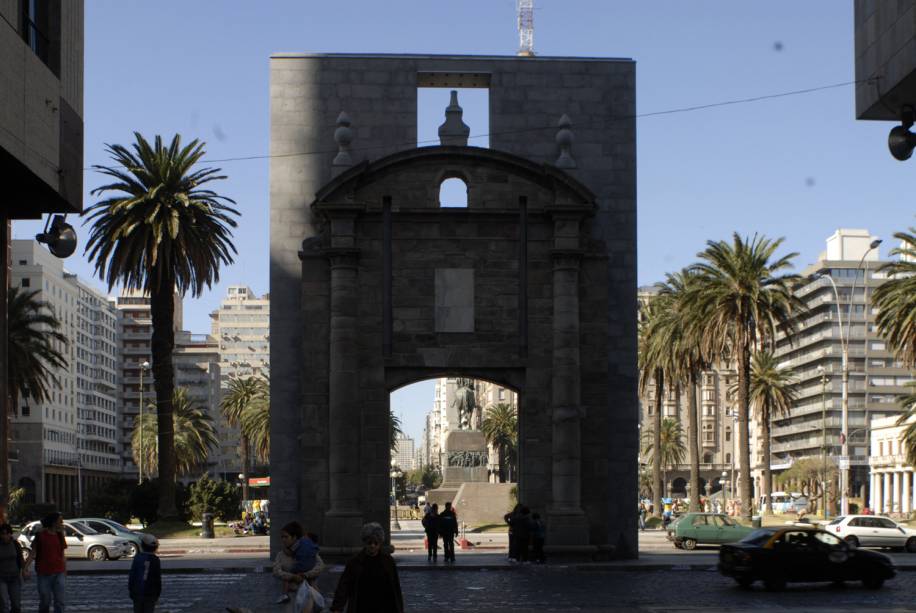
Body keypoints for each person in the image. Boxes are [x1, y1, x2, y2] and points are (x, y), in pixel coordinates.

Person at [330, 522, 403, 613]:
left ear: (380, 543)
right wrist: (337, 607)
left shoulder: (388, 561)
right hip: (361, 606)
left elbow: (395, 588)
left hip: (383, 606)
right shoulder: (355, 562)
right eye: (369, 543)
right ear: (364, 542)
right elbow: (344, 586)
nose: (372, 546)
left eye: (375, 543)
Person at [24, 512, 67, 613]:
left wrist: (65, 570)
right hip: (43, 574)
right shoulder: (40, 536)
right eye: (60, 521)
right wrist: (25, 568)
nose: (62, 523)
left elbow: (62, 555)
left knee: (60, 601)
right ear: (53, 523)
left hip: (59, 573)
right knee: (45, 600)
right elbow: (32, 553)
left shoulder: (60, 536)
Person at [276, 522, 319, 604]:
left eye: (286, 537)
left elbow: (320, 567)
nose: (283, 539)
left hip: (306, 591)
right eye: (282, 537)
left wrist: (303, 575)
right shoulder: (280, 554)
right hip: (294, 595)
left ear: (294, 537)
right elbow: (276, 571)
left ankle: (285, 594)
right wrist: (294, 576)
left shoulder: (296, 547)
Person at [128, 534, 161, 613]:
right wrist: (157, 594)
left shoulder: (138, 558)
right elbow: (157, 579)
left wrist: (131, 590)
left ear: (142, 546)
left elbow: (132, 576)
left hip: (137, 592)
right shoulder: (155, 560)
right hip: (150, 593)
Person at [0, 523, 24, 613]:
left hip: (14, 577)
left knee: (16, 604)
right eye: (3, 534)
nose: (5, 536)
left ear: (10, 534)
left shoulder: (15, 544)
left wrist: (24, 570)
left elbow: (20, 558)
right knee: (4, 603)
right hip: (1, 578)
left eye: (7, 533)